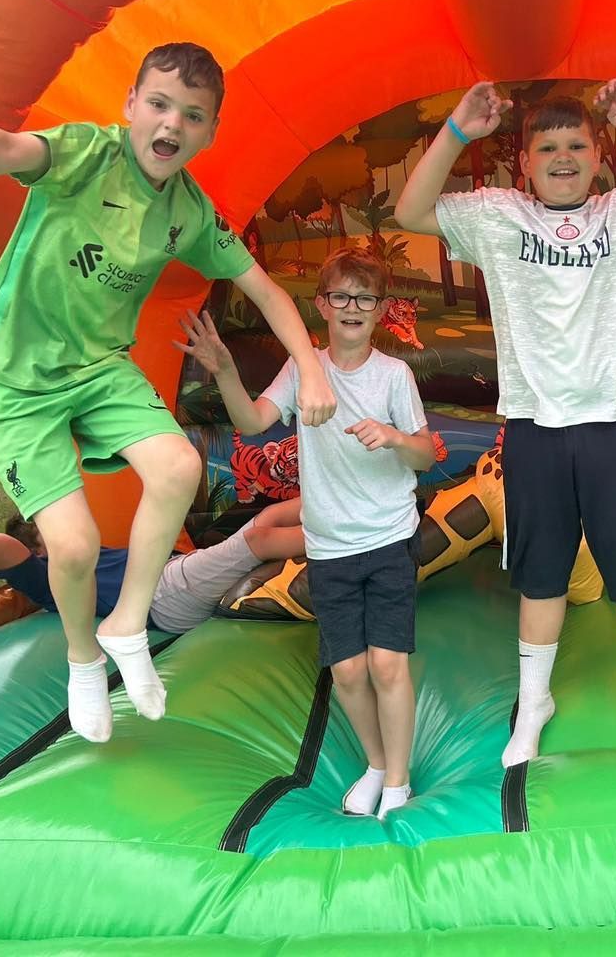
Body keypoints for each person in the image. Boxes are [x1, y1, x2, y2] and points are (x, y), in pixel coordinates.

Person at [0, 42, 337, 742]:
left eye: (192, 116)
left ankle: (127, 625)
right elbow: (2, 148)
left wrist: (311, 368)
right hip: (12, 378)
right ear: (131, 105)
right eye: (158, 104)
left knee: (179, 467)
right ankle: (83, 658)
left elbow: (266, 290)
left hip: (98, 368)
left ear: (210, 132)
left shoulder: (189, 212)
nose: (171, 124)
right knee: (72, 546)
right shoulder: (85, 155)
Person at [394, 77, 616, 766]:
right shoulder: (498, 216)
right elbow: (411, 210)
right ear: (524, 163)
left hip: (613, 427)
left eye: (577, 144)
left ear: (600, 155)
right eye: (547, 148)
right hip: (535, 429)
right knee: (541, 575)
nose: (563, 157)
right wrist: (456, 130)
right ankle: (534, 703)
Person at [179, 247, 434, 820]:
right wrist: (225, 370)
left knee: (387, 664)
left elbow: (424, 455)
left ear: (381, 310)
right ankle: (375, 764)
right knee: (348, 670)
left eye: (365, 298)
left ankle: (398, 782)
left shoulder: (393, 376)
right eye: (341, 296)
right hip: (330, 546)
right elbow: (251, 421)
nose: (352, 307)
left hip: (389, 538)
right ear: (321, 305)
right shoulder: (303, 369)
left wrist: (394, 437)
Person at [0, 500, 305, 633]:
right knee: (258, 540)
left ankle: (330, 499)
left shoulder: (87, 552)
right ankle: (336, 537)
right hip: (160, 597)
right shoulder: (51, 579)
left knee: (269, 516)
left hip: (171, 578)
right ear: (37, 553)